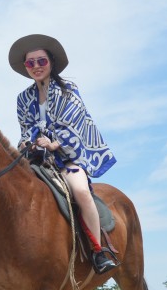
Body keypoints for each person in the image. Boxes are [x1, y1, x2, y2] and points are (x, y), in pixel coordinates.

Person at [9, 33, 117, 273]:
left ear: (51, 62)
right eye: (30, 63)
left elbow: (75, 124)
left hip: (67, 157)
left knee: (80, 191)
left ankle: (99, 250)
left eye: (41, 61)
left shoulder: (68, 90)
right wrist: (28, 143)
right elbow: (25, 128)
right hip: (37, 157)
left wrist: (55, 143)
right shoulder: (23, 99)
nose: (36, 67)